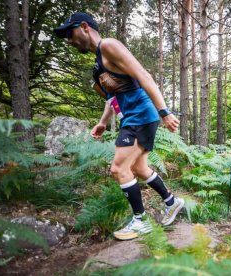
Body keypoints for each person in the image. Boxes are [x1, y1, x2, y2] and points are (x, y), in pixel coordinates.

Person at [53, 12, 185, 240]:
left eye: (70, 33)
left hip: (142, 115)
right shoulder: (98, 65)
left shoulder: (109, 46)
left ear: (84, 27)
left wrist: (164, 111)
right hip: (132, 118)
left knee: (118, 169)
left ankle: (141, 221)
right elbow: (112, 99)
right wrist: (103, 122)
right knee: (140, 169)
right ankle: (172, 202)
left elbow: (143, 75)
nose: (68, 40)